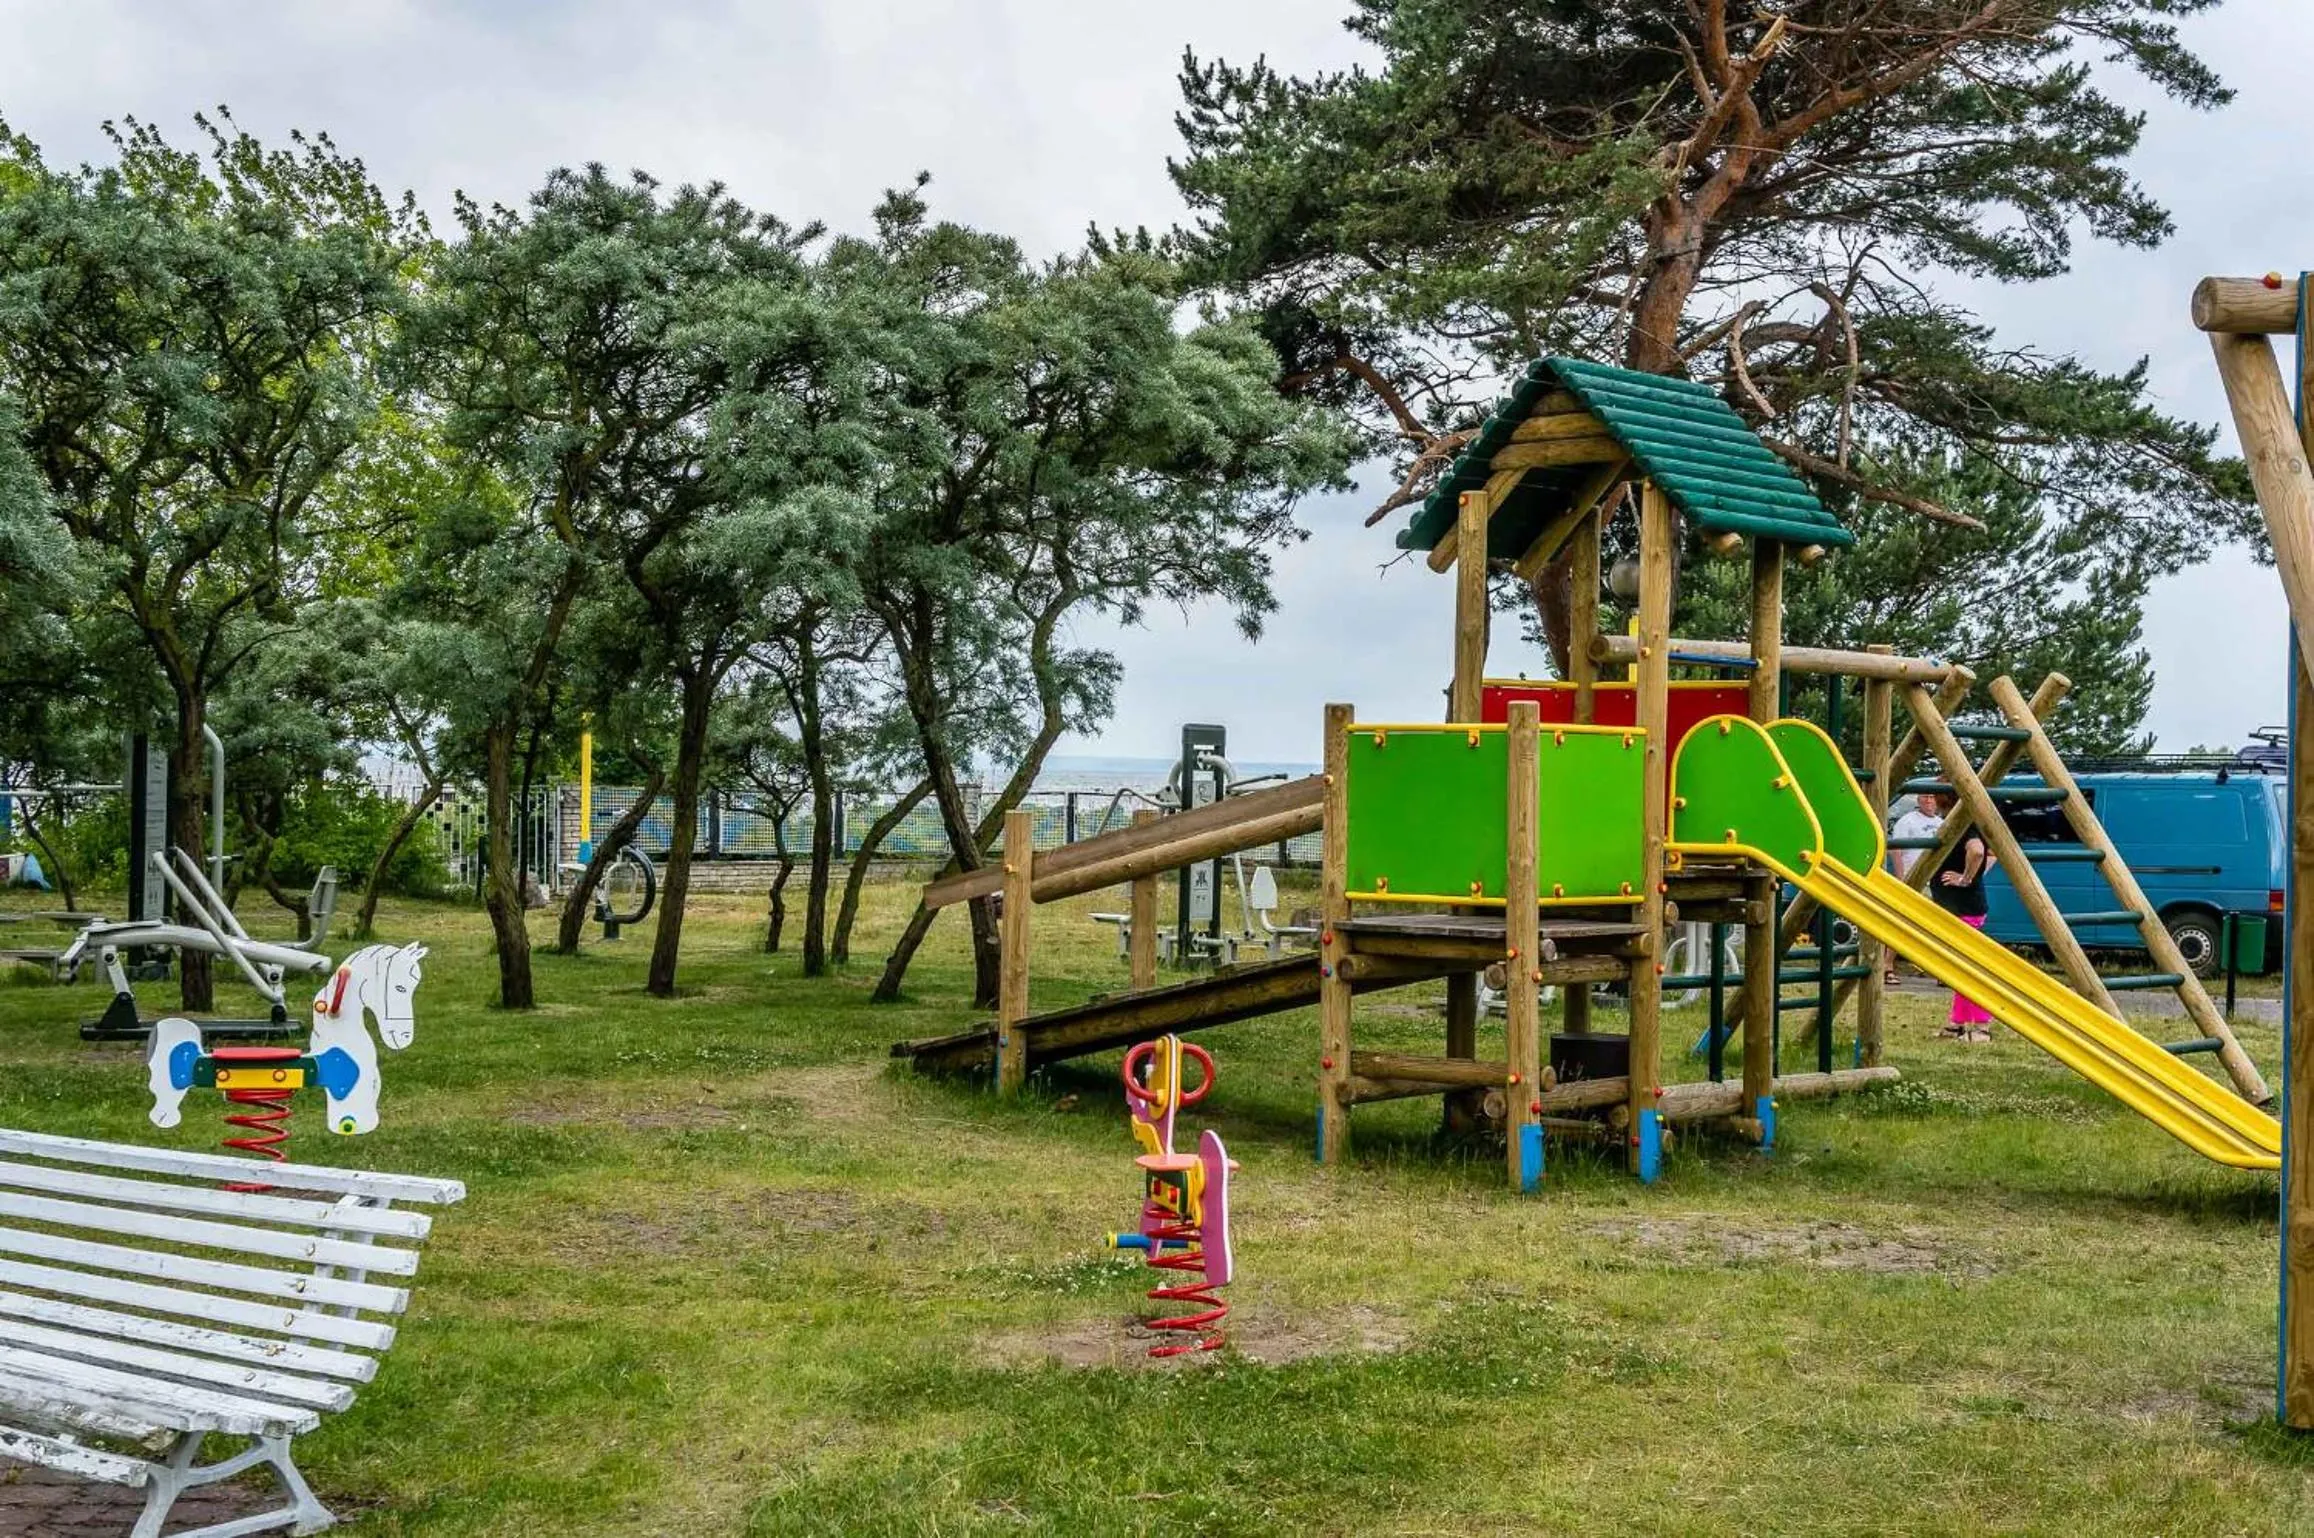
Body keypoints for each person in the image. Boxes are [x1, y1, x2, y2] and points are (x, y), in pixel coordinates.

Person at [1928, 804, 1994, 1041]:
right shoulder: (1961, 824)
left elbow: (1977, 851)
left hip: (1964, 909)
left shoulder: (1966, 826)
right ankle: (1957, 1023)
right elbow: (1990, 853)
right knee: (1959, 967)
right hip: (1958, 908)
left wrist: (1965, 879)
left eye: (1937, 798)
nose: (1933, 802)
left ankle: (1982, 1026)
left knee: (1968, 969)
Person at [1884, 791, 1945, 984]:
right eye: (1924, 796)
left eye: (1932, 796)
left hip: (1934, 880)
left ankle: (1939, 971)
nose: (1928, 799)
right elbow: (1895, 849)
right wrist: (1902, 877)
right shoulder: (1907, 821)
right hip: (1913, 877)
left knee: (1936, 927)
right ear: (1918, 799)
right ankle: (1887, 966)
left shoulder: (1942, 823)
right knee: (1903, 924)